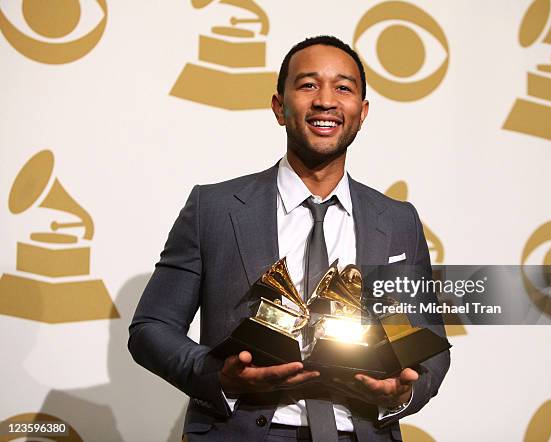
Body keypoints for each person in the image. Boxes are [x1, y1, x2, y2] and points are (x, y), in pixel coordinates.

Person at [128, 35, 450, 441]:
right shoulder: (214, 208)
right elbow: (151, 327)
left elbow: (429, 340)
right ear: (279, 107)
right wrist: (221, 377)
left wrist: (402, 392)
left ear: (362, 112)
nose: (326, 101)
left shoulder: (399, 220)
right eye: (308, 84)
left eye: (343, 88)